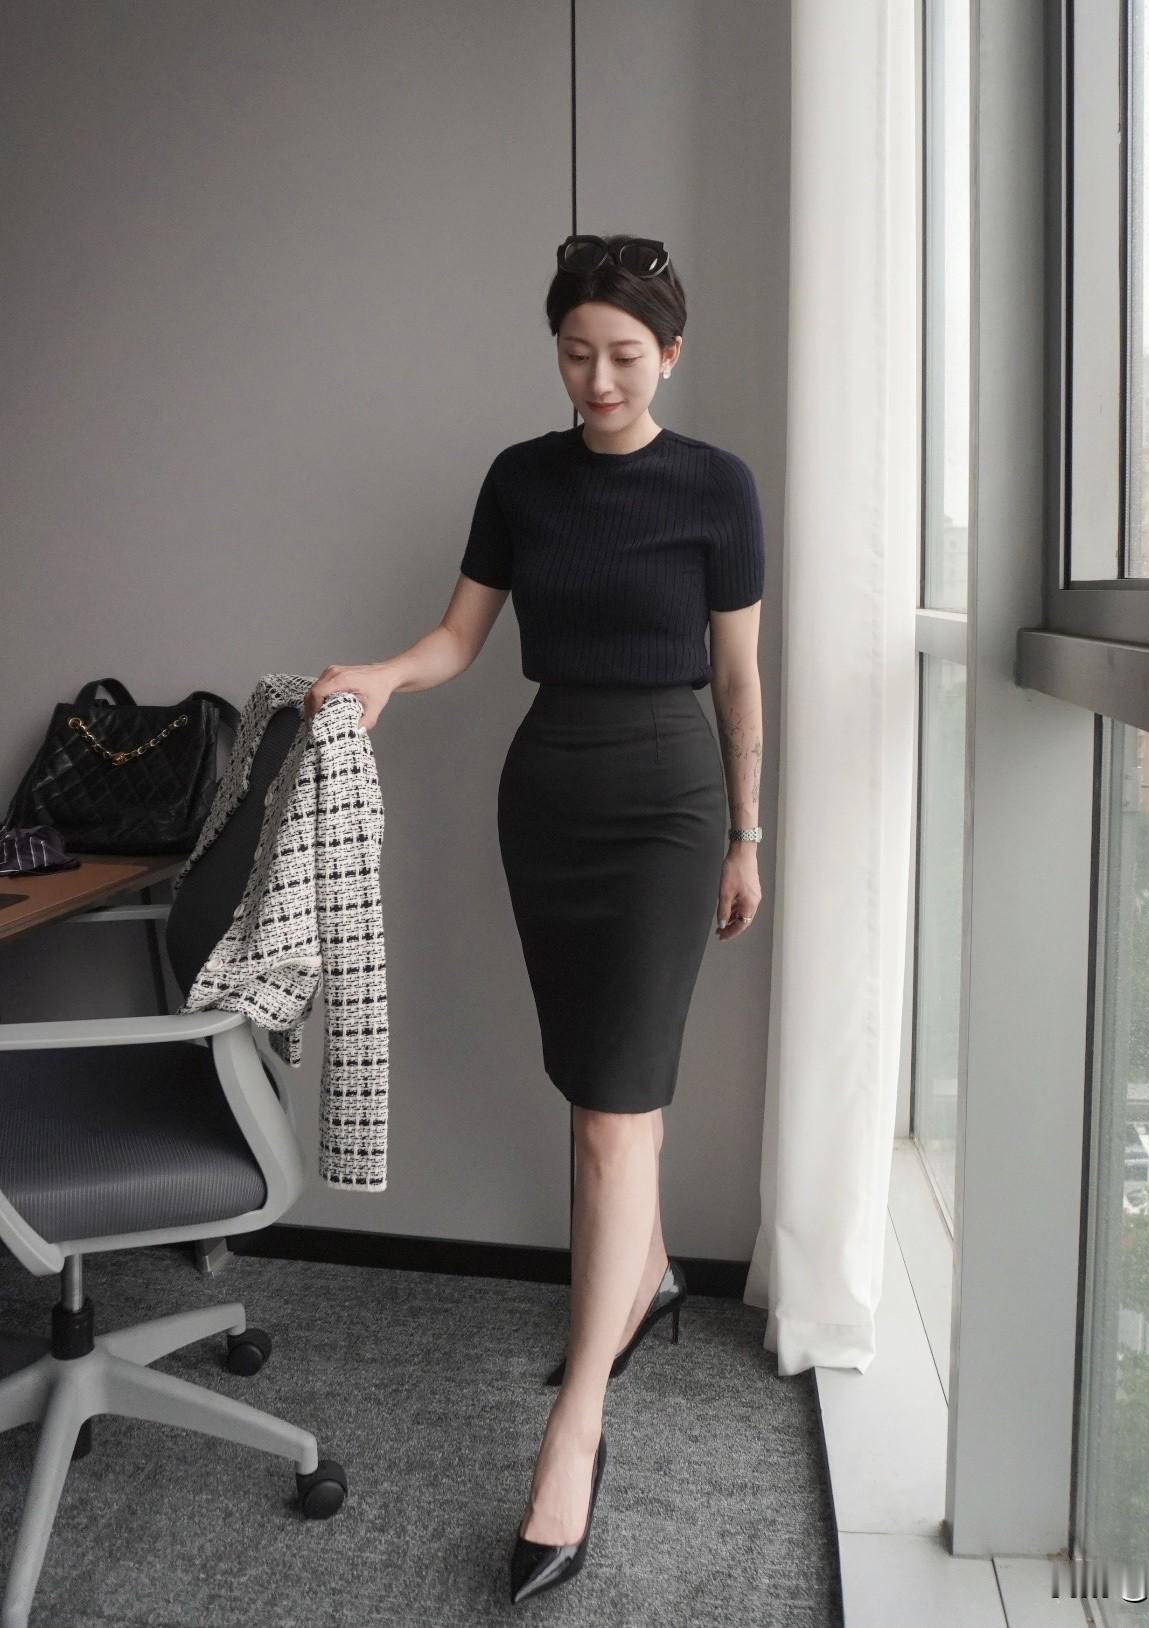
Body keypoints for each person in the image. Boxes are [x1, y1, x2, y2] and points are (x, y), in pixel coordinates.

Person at [301, 232, 765, 1605]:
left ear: (669, 354)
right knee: (597, 1089)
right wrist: (384, 675)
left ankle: (577, 1429)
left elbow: (738, 680)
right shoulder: (520, 479)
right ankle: (648, 1279)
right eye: (575, 354)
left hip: (670, 799)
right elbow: (458, 637)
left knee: (619, 1107)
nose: (599, 380)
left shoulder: (717, 486)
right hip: (548, 791)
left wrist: (749, 834)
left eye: (624, 356)